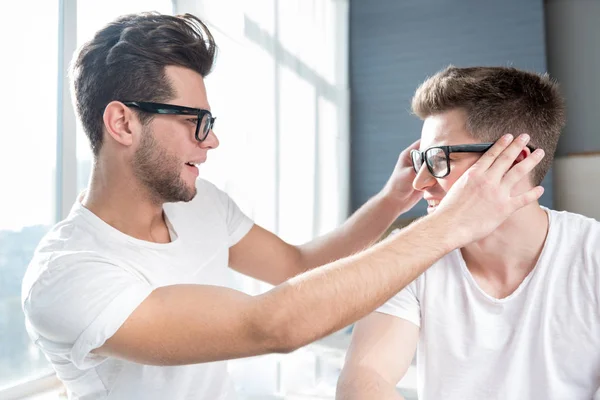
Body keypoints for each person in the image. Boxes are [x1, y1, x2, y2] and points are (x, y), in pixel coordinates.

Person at [21, 14, 543, 400]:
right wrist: (451, 225)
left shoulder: (197, 203)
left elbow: (297, 265)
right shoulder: (69, 276)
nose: (211, 144)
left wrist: (392, 201)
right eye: (194, 123)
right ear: (123, 123)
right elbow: (269, 326)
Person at [337, 66, 600, 400]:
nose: (420, 183)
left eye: (439, 159)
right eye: (420, 161)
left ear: (514, 161)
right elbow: (364, 377)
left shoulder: (592, 255)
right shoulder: (412, 254)